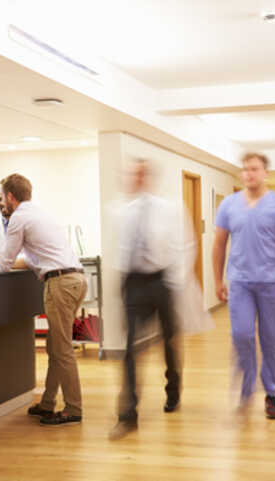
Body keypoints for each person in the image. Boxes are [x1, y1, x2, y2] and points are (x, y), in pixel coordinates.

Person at [0, 173, 87, 427]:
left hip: (60, 283)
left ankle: (73, 408)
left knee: (62, 350)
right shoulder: (38, 214)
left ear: (11, 197)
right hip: (75, 280)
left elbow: (3, 265)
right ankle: (48, 403)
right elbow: (31, 259)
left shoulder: (18, 219)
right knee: (56, 347)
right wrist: (1, 261)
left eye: (2, 198)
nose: (1, 203)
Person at [212, 152, 275, 419]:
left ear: (266, 173)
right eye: (245, 169)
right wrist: (218, 280)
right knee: (241, 335)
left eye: (254, 169)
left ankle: (272, 392)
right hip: (240, 282)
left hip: (272, 282)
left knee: (271, 339)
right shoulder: (229, 205)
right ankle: (247, 385)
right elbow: (218, 244)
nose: (249, 173)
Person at [108, 158, 192, 441]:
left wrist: (174, 282)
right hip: (133, 283)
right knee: (130, 348)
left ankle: (173, 389)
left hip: (161, 280)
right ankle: (128, 415)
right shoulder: (121, 211)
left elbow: (185, 245)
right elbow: (120, 248)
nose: (133, 178)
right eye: (130, 174)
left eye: (139, 174)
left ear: (148, 178)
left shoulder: (169, 209)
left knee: (169, 339)